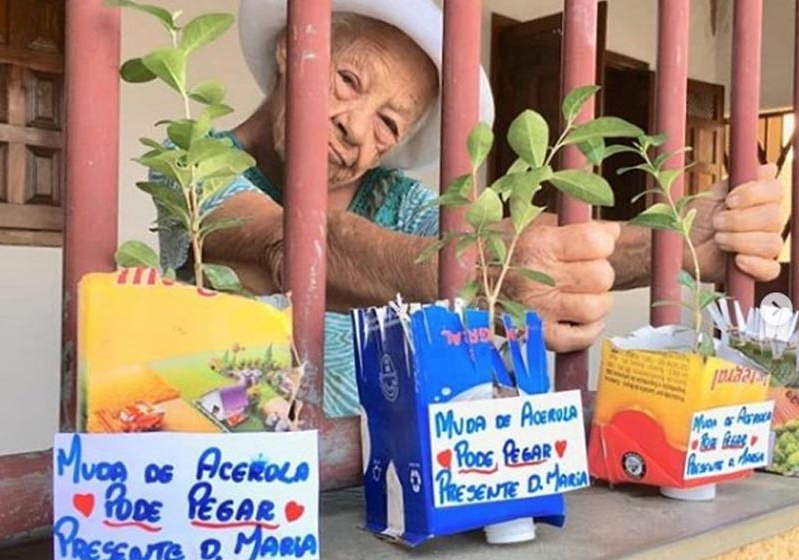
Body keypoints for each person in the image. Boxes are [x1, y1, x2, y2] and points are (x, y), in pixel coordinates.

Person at [152, 0, 785, 417]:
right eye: (348, 81)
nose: (354, 128)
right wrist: (456, 276)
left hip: (376, 490)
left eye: (388, 124)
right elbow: (279, 241)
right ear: (295, 50)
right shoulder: (192, 159)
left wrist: (683, 239)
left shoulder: (398, 201)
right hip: (233, 486)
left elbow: (508, 247)